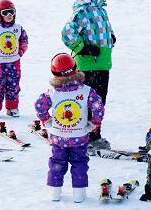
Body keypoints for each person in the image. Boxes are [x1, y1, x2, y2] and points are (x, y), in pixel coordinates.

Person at [34, 53, 104, 203]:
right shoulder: (86, 91)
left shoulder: (52, 92)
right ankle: (79, 194)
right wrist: (93, 124)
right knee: (79, 163)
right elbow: (98, 107)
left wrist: (46, 120)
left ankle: (55, 193)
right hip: (79, 136)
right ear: (75, 68)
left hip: (58, 137)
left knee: (57, 162)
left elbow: (39, 105)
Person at [61, 0, 114, 151]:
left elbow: (101, 28)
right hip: (87, 66)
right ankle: (82, 137)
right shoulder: (83, 10)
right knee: (86, 103)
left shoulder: (101, 9)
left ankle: (95, 136)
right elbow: (67, 33)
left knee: (99, 104)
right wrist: (83, 48)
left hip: (102, 63)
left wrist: (111, 36)